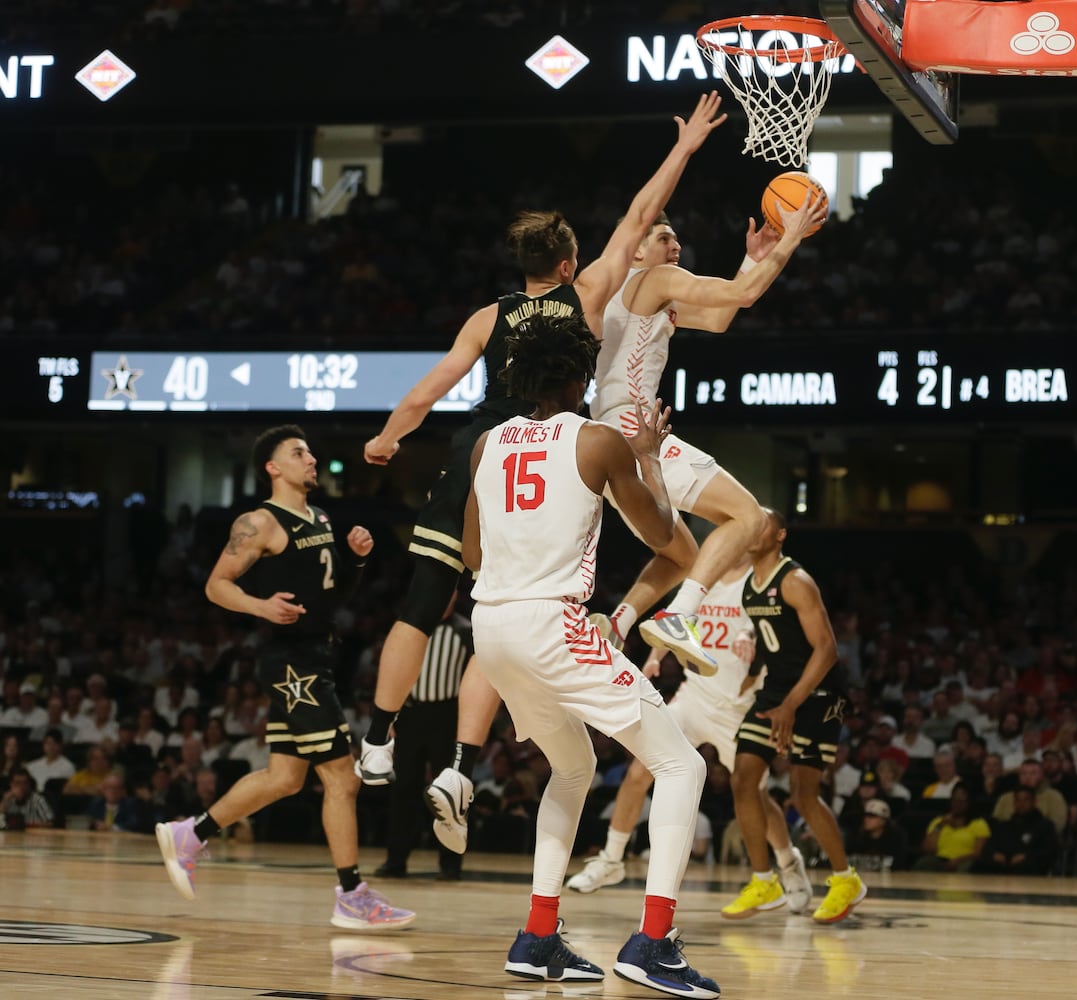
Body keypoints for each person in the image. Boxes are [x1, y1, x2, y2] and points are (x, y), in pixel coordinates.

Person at [354, 95, 728, 857]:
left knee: (429, 604)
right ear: (564, 263)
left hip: (478, 450)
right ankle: (461, 763)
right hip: (547, 450)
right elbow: (641, 211)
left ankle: (378, 740)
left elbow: (430, 389)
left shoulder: (487, 317)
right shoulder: (585, 292)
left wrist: (387, 440)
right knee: (535, 594)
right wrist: (685, 147)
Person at [460, 311, 718, 997]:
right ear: (581, 375)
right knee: (681, 764)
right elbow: (665, 535)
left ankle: (538, 935)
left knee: (572, 770)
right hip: (551, 624)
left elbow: (471, 554)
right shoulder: (598, 440)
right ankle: (652, 943)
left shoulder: (487, 446)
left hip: (490, 628)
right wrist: (653, 456)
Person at [154, 424, 414, 930]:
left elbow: (332, 598)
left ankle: (191, 835)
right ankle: (351, 894)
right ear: (273, 468)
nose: (311, 459)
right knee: (342, 777)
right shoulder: (259, 523)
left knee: (284, 778)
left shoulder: (317, 515)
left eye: (311, 452)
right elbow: (215, 585)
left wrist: (357, 562)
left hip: (314, 653)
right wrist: (259, 606)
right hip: (294, 664)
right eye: (299, 453)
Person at [588, 194, 827, 672]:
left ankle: (617, 624)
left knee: (683, 556)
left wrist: (750, 259)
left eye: (677, 236)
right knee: (750, 517)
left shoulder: (627, 291)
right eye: (663, 237)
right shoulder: (654, 278)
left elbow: (717, 319)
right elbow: (742, 296)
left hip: (605, 439)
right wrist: (792, 238)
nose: (676, 244)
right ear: (635, 249)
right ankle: (679, 617)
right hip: (635, 430)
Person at [565, 558, 813, 916]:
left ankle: (789, 864)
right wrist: (654, 658)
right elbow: (673, 622)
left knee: (756, 798)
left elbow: (774, 631)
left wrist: (750, 638)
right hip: (694, 697)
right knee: (639, 772)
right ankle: (611, 859)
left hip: (738, 707)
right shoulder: (704, 578)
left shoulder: (757, 582)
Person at [723, 508, 868, 924]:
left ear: (780, 535)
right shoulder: (750, 586)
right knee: (743, 778)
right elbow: (773, 644)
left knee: (803, 795)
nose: (753, 528)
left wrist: (791, 705)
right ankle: (764, 880)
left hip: (819, 692)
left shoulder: (796, 580)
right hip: (777, 689)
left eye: (762, 523)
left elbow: (826, 649)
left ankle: (845, 879)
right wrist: (751, 677)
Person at [374, 590, 469, 881]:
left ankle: (451, 864)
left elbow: (476, 680)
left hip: (447, 716)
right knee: (404, 789)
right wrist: (388, 715)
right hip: (411, 715)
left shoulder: (465, 630)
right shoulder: (410, 626)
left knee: (450, 791)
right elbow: (392, 669)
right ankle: (396, 860)